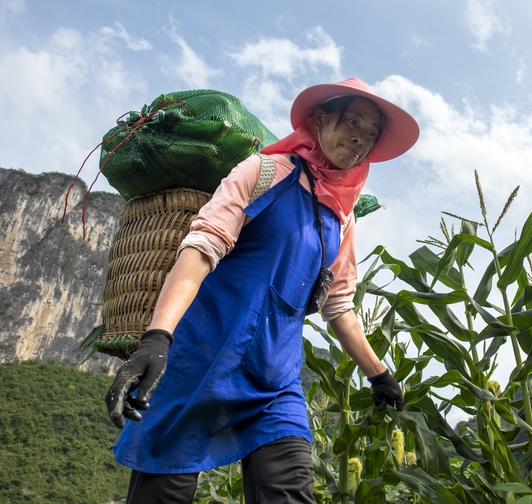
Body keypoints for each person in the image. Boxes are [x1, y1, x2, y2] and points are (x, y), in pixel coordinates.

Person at [105, 78, 420, 503]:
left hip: (274, 377)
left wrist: (378, 374)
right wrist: (157, 338)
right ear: (322, 119)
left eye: (369, 134)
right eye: (352, 123)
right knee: (164, 492)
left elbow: (339, 305)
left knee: (288, 489)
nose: (359, 139)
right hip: (201, 358)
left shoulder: (342, 217)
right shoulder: (265, 171)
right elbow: (202, 249)